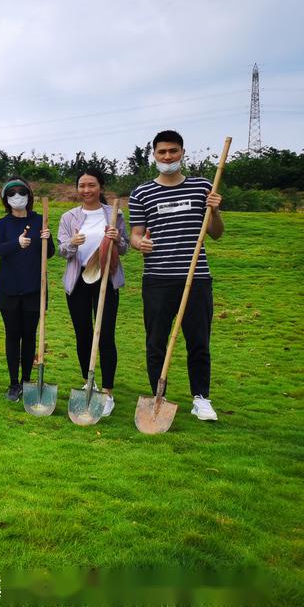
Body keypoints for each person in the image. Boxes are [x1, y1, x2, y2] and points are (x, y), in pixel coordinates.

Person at [129, 130, 224, 422]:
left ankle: (201, 398)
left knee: (198, 340)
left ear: (183, 152)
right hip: (158, 278)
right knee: (156, 340)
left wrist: (215, 211)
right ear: (154, 155)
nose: (167, 157)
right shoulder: (141, 193)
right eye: (162, 152)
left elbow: (217, 234)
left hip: (196, 277)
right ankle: (159, 394)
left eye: (173, 151)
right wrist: (139, 244)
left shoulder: (202, 187)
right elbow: (134, 236)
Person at [57, 169, 128, 414]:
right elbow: (62, 251)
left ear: (100, 187)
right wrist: (72, 244)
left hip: (105, 279)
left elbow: (126, 247)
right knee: (83, 333)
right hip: (78, 281)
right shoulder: (69, 217)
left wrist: (117, 238)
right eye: (82, 185)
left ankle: (107, 391)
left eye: (92, 185)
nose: (86, 190)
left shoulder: (114, 214)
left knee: (105, 333)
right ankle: (89, 381)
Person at [0, 178, 54, 402]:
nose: (18, 197)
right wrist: (16, 243)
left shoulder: (39, 220)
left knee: (29, 336)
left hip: (33, 289)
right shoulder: (2, 224)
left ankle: (27, 380)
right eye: (12, 194)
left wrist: (48, 238)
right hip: (9, 288)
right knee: (12, 336)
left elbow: (50, 253)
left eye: (22, 193)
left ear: (29, 196)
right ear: (6, 200)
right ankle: (13, 383)